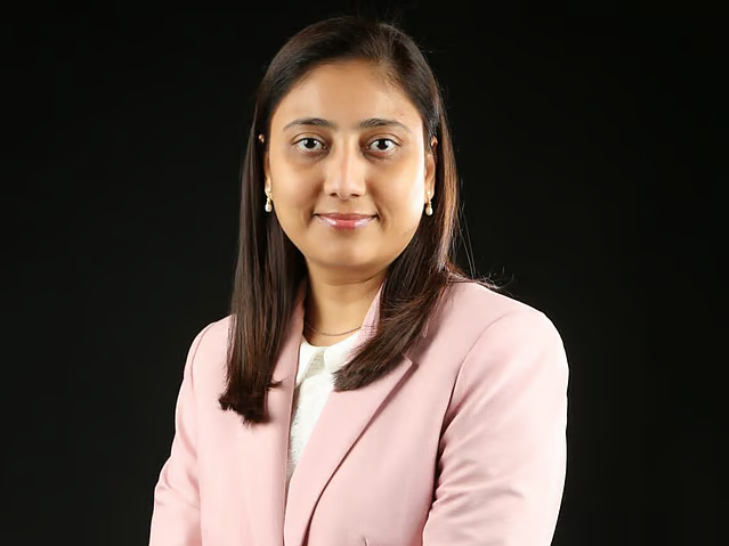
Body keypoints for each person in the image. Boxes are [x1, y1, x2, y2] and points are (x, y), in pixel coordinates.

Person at [149, 15, 569, 546]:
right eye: (310, 143)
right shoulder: (216, 358)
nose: (345, 183)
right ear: (267, 169)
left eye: (381, 145)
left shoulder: (501, 347)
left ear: (429, 171)